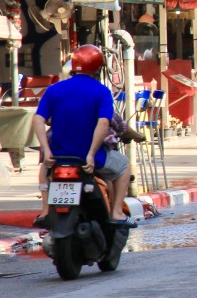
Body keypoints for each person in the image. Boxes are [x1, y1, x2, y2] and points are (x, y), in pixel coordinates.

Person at [32, 44, 134, 227]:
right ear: (98, 68)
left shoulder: (54, 90)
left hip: (57, 157)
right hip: (89, 158)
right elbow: (104, 123)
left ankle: (46, 210)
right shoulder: (101, 91)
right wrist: (91, 154)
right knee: (124, 166)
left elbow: (38, 119)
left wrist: (46, 151)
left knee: (44, 173)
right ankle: (117, 213)